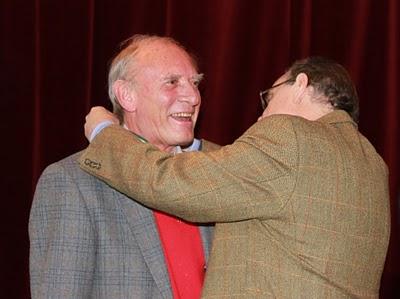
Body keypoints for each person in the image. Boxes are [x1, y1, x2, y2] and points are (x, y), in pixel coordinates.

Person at [80, 56, 390, 298]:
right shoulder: (372, 164)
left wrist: (105, 133)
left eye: (268, 98)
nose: (261, 116)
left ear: (300, 85)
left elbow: (176, 184)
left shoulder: (290, 136)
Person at [29, 34, 219, 298]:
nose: (193, 96)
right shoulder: (73, 182)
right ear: (127, 96)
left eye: (194, 82)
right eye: (172, 82)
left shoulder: (213, 173)